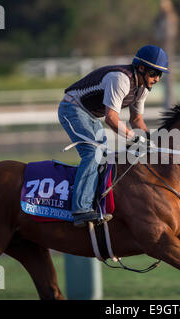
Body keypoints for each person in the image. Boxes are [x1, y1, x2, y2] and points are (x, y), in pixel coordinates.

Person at [58, 45, 170, 227]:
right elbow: (111, 118)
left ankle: (96, 203)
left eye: (160, 74)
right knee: (93, 153)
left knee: (104, 156)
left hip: (91, 115)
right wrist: (133, 138)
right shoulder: (121, 79)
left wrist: (150, 140)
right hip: (72, 109)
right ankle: (80, 210)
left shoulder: (142, 87)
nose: (156, 78)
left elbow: (136, 118)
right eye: (153, 73)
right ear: (140, 68)